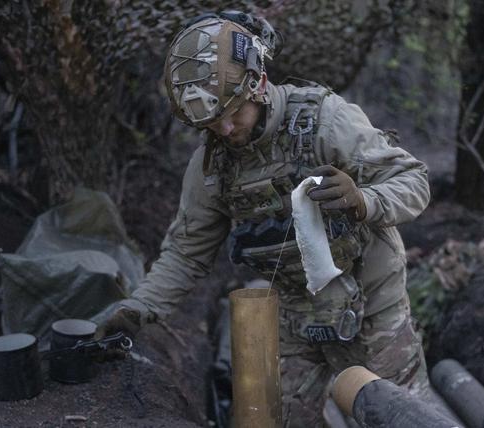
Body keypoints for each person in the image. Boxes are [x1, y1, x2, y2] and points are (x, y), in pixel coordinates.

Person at [97, 11, 432, 426]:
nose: (224, 128)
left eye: (233, 112)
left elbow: (413, 180)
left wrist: (364, 200)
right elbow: (186, 253)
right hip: (295, 314)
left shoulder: (325, 122)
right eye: (210, 122)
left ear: (258, 83)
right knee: (278, 421)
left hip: (373, 306)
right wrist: (137, 309)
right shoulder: (212, 167)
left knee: (403, 417)